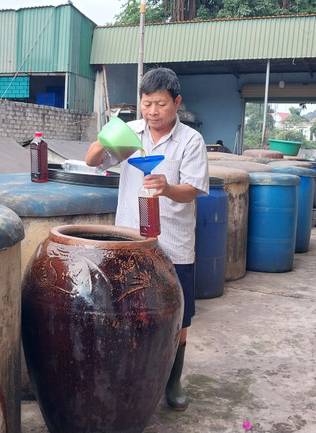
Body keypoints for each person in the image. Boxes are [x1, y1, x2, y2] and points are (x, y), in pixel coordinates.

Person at [85, 67, 209, 411]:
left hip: (174, 241)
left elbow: (192, 191)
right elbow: (94, 162)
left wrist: (167, 187)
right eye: (146, 104)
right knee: (127, 309)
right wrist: (101, 141)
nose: (153, 112)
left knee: (180, 316)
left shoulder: (190, 141)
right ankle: (131, 376)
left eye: (160, 104)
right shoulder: (130, 134)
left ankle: (173, 381)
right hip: (130, 240)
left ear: (177, 102)